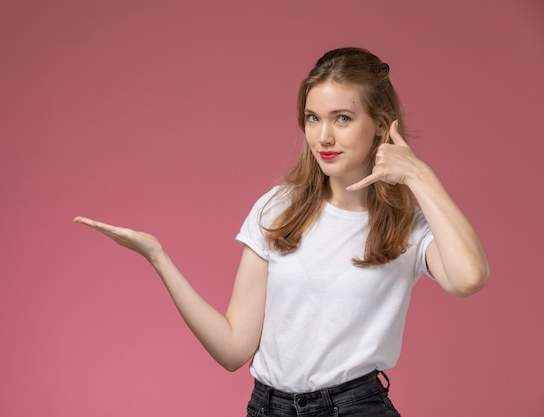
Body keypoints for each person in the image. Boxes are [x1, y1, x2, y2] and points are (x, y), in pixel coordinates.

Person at [74, 47, 489, 417]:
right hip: (266, 407)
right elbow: (234, 349)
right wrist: (157, 256)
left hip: (354, 408)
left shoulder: (408, 227)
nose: (323, 136)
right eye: (313, 118)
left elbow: (470, 278)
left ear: (381, 126)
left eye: (342, 118)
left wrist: (419, 175)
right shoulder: (278, 207)